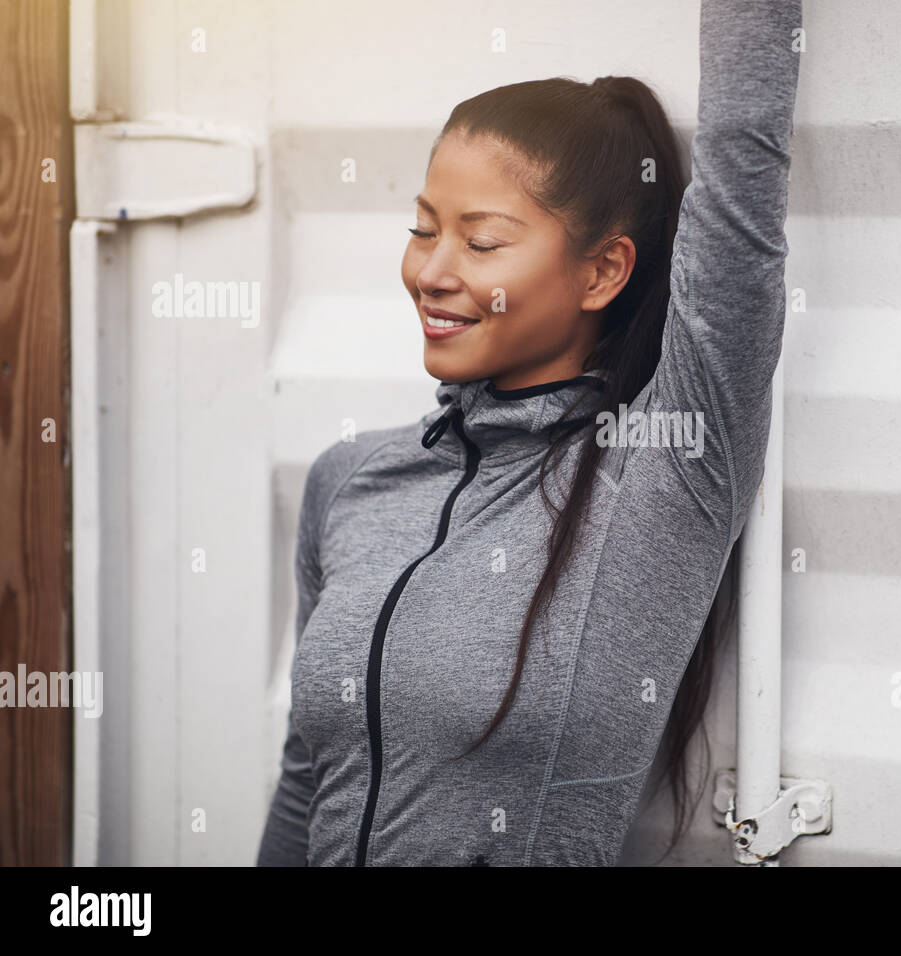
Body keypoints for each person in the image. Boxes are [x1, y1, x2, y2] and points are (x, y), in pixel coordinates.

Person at [256, 0, 803, 866]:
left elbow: (742, 181)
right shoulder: (352, 477)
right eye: (422, 230)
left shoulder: (662, 475)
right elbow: (304, 783)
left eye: (481, 243)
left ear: (602, 271)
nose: (431, 273)